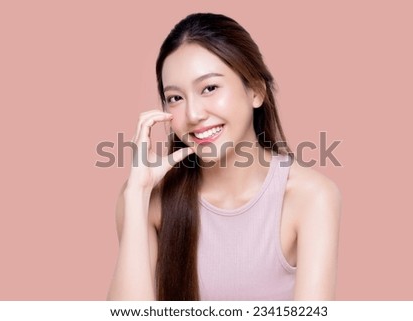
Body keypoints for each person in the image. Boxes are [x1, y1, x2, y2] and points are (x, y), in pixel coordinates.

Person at [107, 12, 341, 301]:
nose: (193, 115)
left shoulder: (310, 196)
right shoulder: (148, 199)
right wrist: (136, 194)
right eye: (175, 98)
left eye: (209, 88)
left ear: (255, 91)